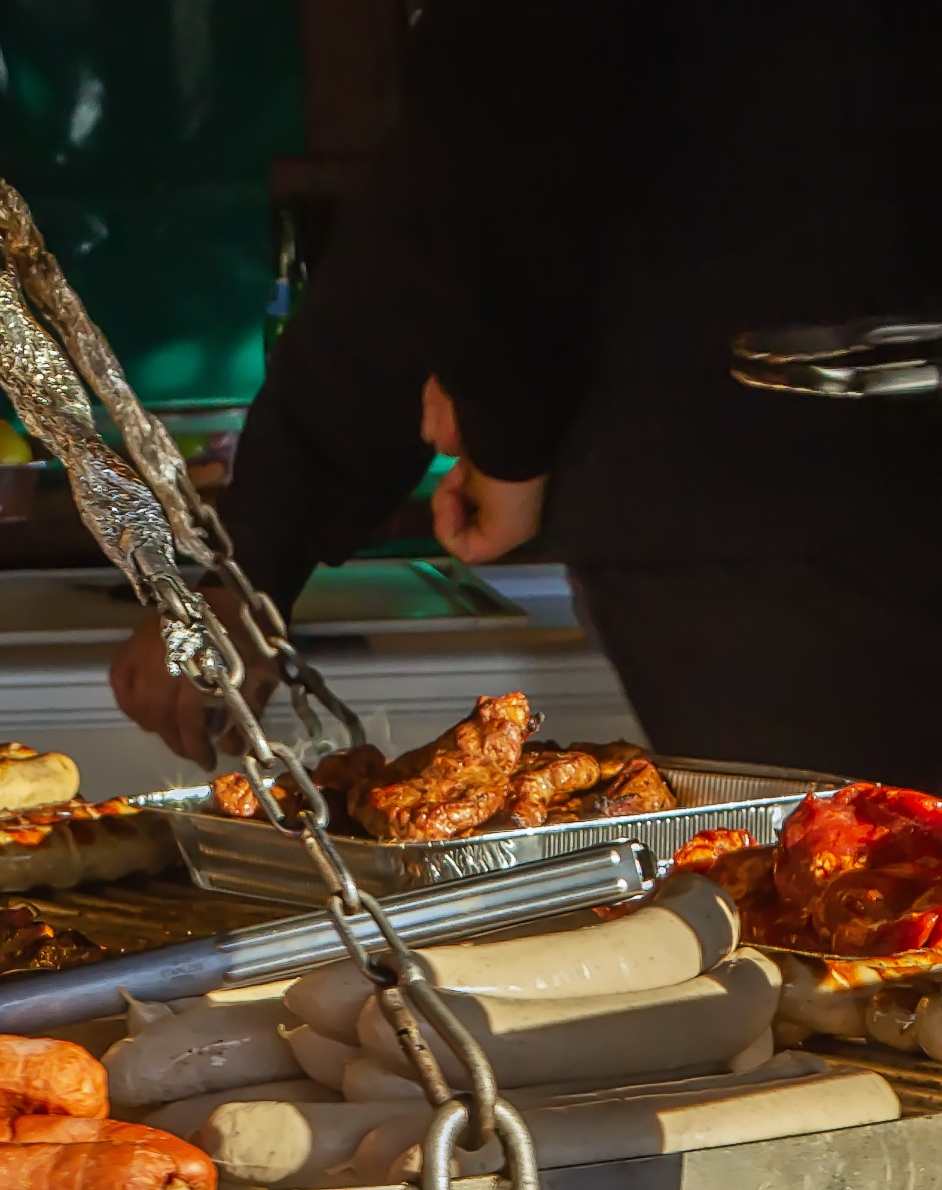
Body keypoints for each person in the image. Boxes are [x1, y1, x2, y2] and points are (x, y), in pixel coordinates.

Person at [111, 0, 942, 791]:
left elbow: (504, 109)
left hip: (780, 463)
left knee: (855, 903)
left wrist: (504, 425)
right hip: (801, 449)